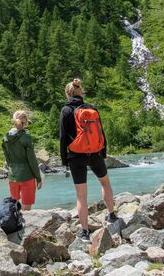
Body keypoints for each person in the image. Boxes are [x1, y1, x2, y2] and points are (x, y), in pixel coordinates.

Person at [59, 78, 118, 241]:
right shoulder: (91, 108)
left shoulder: (66, 110)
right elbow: (101, 132)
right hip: (95, 152)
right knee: (105, 183)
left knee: (81, 195)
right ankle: (112, 215)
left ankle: (84, 232)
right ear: (80, 92)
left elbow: (63, 137)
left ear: (67, 93)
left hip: (76, 156)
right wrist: (103, 152)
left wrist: (64, 160)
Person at [2, 110, 42, 211]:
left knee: (14, 206)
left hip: (12, 176)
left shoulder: (5, 138)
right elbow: (32, 160)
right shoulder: (26, 138)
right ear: (25, 122)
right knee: (27, 209)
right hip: (27, 176)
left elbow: (7, 158)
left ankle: (16, 225)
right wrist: (38, 178)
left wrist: (12, 169)